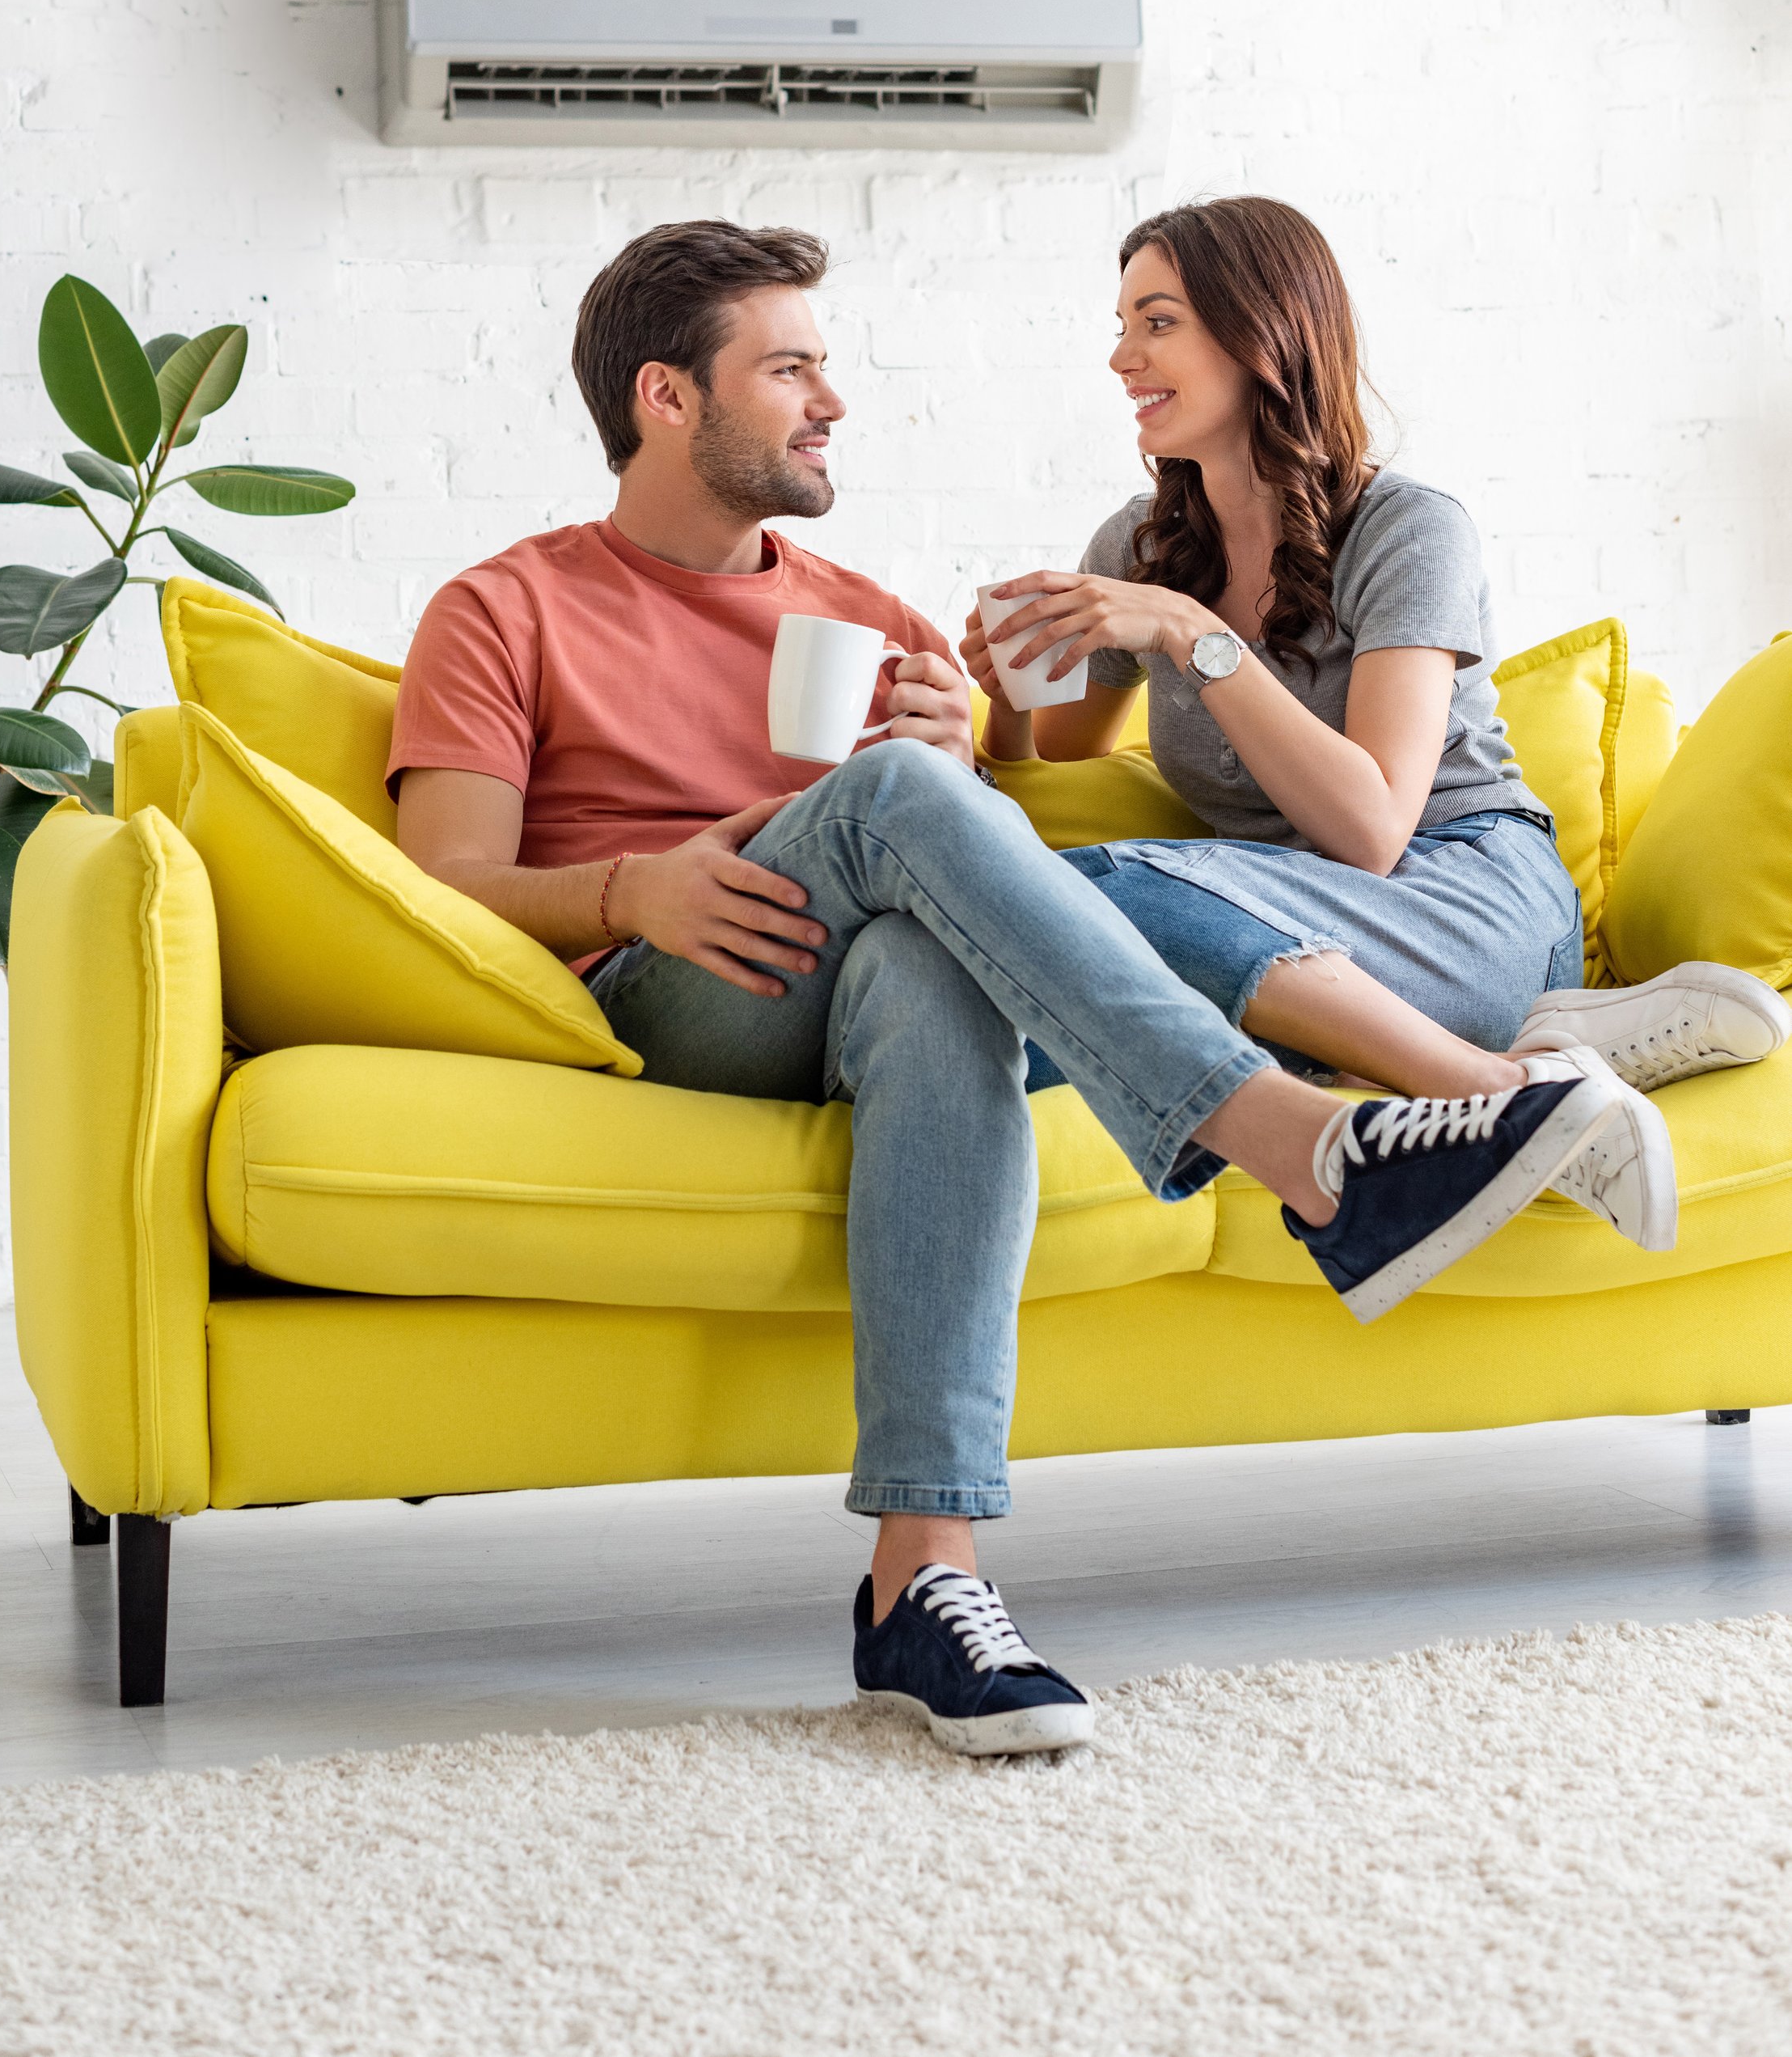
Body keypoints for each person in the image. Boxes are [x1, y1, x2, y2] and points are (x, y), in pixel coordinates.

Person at [390, 220, 1658, 1759]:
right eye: (789, 368)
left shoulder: (875, 618)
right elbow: (443, 884)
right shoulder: (503, 606)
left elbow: (1011, 811)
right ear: (666, 398)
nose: (832, 400)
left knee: (931, 958)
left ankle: (923, 1580)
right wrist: (628, 887)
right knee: (908, 818)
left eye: (825, 366)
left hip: (865, 998)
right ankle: (1316, 1153)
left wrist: (967, 737)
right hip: (676, 993)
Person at [961, 193, 1788, 1247]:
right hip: (1289, 934)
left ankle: (1505, 1056)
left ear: (1262, 331)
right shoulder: (1139, 541)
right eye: (1120, 326)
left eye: (1156, 321)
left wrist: (1194, 637)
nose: (1123, 357)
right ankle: (1539, 1062)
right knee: (999, 988)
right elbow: (1071, 747)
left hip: (1462, 896)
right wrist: (1003, 695)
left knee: (1084, 899)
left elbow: (1373, 828)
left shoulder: (1408, 529)